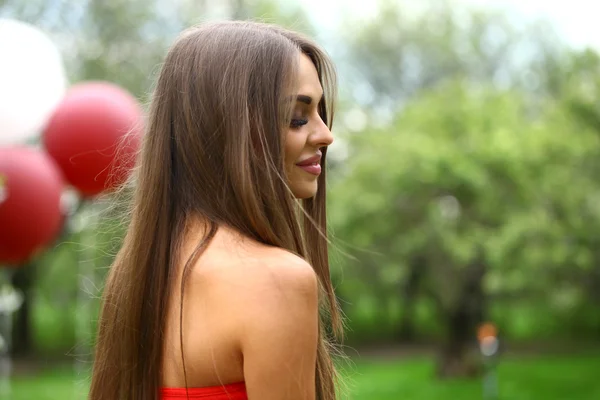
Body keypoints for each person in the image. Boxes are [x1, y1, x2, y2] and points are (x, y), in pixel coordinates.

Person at [89, 21, 344, 400]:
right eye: (297, 117)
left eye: (320, 113)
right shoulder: (276, 281)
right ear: (230, 128)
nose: (325, 134)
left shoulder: (137, 272)